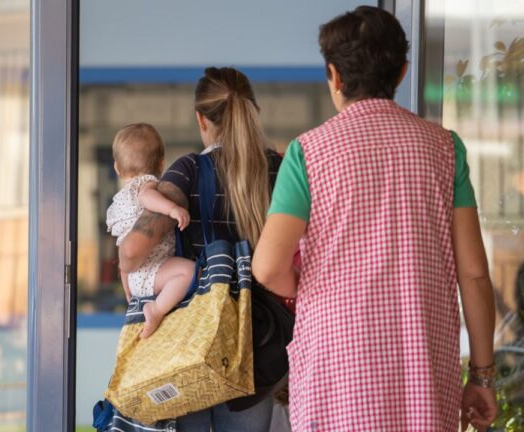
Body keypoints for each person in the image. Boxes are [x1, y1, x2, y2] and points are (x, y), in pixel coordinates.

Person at [252, 6, 497, 431]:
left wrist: (312, 285)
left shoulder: (308, 154)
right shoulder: (444, 149)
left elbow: (268, 267)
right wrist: (481, 375)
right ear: (402, 73)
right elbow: (474, 275)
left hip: (335, 374)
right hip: (422, 376)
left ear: (334, 76)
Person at [118, 67, 283, 431]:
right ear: (252, 111)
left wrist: (131, 273)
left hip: (195, 344)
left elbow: (132, 249)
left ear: (201, 119)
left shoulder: (190, 170)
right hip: (259, 346)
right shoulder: (280, 169)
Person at [106, 123, 194, 338]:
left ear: (117, 168)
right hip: (155, 268)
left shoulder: (118, 203)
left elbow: (121, 244)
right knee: (189, 272)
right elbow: (148, 197)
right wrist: (172, 208)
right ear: (162, 164)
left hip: (135, 277)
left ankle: (155, 306)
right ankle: (157, 309)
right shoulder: (145, 184)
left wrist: (126, 283)